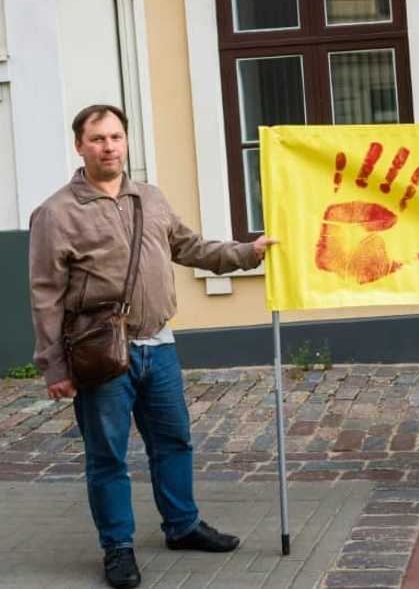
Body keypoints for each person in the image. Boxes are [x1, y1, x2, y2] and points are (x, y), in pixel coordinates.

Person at [29, 104, 278, 588]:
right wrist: (53, 366)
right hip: (102, 354)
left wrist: (247, 253)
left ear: (127, 142)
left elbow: (191, 248)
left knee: (174, 442)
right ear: (79, 145)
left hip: (159, 346)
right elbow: (45, 295)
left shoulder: (150, 198)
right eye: (98, 138)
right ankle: (118, 548)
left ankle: (182, 526)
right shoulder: (56, 213)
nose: (109, 147)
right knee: (107, 456)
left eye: (116, 137)